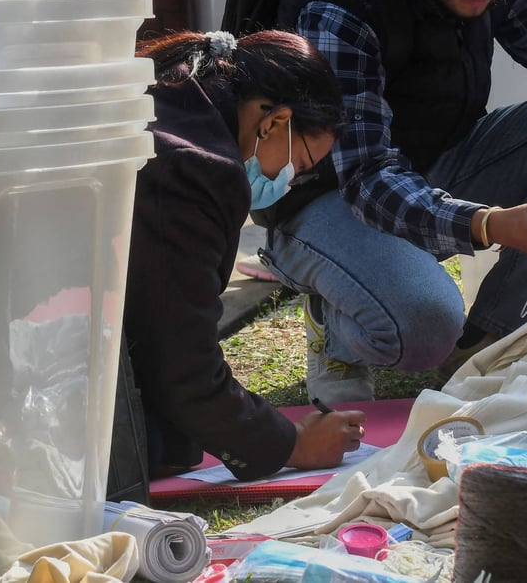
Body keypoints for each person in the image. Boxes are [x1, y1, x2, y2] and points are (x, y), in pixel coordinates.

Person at [244, 0, 527, 402]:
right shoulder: (341, 4)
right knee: (426, 327)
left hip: (438, 161)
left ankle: (490, 337)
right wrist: (485, 222)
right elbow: (367, 178)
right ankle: (335, 320)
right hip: (329, 197)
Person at [112, 29, 367, 492]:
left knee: (173, 441)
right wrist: (288, 444)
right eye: (301, 166)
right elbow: (180, 365)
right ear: (274, 123)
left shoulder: (176, 96)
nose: (287, 182)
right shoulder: (198, 169)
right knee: (155, 445)